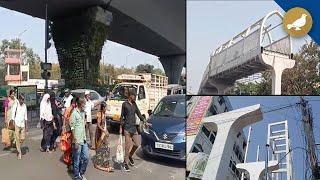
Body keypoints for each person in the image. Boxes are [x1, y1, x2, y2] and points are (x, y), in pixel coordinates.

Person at [119, 92, 151, 172]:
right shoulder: (124, 104)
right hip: (127, 128)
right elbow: (121, 116)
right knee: (127, 146)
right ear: (130, 96)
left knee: (137, 144)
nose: (135, 97)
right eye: (134, 96)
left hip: (133, 128)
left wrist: (145, 122)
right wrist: (120, 127)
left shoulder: (134, 104)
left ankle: (130, 155)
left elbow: (139, 114)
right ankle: (125, 163)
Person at [70, 97, 89, 180]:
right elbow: (72, 127)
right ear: (80, 104)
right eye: (84, 103)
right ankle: (77, 177)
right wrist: (74, 140)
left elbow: (84, 125)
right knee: (77, 160)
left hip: (83, 139)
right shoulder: (74, 113)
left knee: (86, 157)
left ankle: (81, 173)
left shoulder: (83, 113)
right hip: (77, 140)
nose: (85, 105)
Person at [92, 102, 114, 172]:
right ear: (103, 108)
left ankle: (105, 164)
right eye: (105, 108)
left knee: (106, 148)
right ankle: (98, 164)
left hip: (104, 133)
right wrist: (104, 131)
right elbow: (98, 125)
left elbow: (104, 124)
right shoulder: (99, 114)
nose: (106, 109)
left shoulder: (104, 114)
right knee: (99, 148)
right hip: (100, 133)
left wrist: (106, 130)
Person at [62, 97, 77, 171]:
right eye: (74, 103)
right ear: (72, 103)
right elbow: (65, 118)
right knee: (68, 146)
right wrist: (64, 127)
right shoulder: (68, 109)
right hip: (68, 130)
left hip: (73, 130)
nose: (75, 104)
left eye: (75, 103)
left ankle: (70, 161)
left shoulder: (75, 109)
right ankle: (68, 160)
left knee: (71, 147)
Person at [11, 95, 28, 159]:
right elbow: (13, 113)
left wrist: (27, 126)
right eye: (22, 99)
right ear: (19, 99)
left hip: (22, 124)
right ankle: (19, 152)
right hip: (17, 123)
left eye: (23, 99)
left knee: (22, 138)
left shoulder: (24, 106)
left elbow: (26, 116)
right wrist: (13, 121)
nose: (23, 101)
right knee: (17, 138)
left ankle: (17, 145)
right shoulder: (16, 105)